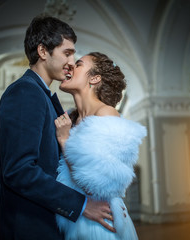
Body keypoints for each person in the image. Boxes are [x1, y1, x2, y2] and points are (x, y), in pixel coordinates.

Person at [0, 15, 115, 240]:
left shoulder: (41, 95)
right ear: (43, 51)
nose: (72, 61)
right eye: (67, 53)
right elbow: (19, 171)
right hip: (27, 227)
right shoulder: (25, 92)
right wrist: (81, 205)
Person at [54, 52, 147, 240]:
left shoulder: (107, 113)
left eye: (78, 64)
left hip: (101, 224)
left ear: (95, 78)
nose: (70, 66)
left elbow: (97, 184)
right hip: (75, 221)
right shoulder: (71, 119)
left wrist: (64, 141)